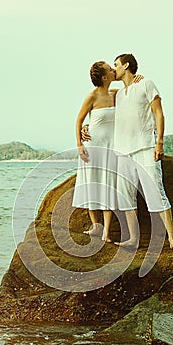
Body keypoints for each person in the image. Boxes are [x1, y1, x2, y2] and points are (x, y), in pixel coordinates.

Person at [83, 53, 173, 251]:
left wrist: (160, 142)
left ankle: (172, 239)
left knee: (157, 192)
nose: (113, 69)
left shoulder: (146, 84)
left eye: (116, 65)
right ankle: (133, 239)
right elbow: (100, 107)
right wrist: (87, 126)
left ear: (126, 66)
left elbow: (158, 113)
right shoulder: (118, 94)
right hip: (122, 151)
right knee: (126, 197)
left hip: (145, 147)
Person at [72, 61, 117, 242]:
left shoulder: (116, 94)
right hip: (93, 148)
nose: (114, 70)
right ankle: (96, 226)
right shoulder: (92, 96)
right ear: (104, 77)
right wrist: (79, 144)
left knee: (108, 186)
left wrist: (138, 77)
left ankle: (106, 231)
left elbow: (133, 88)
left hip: (111, 147)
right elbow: (78, 120)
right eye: (110, 69)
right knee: (92, 185)